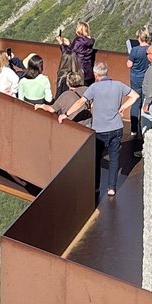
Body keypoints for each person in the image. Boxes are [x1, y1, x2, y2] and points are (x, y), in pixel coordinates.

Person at [58, 59, 138, 199]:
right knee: (114, 158)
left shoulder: (94, 88)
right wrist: (123, 107)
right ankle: (111, 188)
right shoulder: (118, 85)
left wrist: (66, 114)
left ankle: (95, 187)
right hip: (116, 128)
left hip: (100, 130)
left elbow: (80, 102)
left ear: (96, 74)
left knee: (96, 158)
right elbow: (135, 96)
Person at [126, 31, 152, 135]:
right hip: (147, 78)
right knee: (146, 102)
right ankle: (144, 128)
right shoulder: (151, 49)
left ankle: (134, 129)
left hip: (136, 79)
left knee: (136, 102)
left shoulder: (135, 50)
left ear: (139, 38)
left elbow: (129, 65)